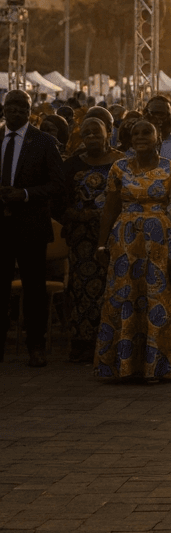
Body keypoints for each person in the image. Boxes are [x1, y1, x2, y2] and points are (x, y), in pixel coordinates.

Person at [93, 119, 171, 382]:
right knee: (125, 296)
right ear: (129, 139)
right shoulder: (119, 168)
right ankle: (125, 366)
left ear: (158, 137)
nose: (140, 137)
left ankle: (158, 366)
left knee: (159, 298)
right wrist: (102, 244)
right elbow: (110, 208)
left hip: (160, 240)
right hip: (125, 243)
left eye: (146, 132)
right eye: (135, 133)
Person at [0, 90, 65, 366]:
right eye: (10, 106)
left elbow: (57, 184)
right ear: (4, 108)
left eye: (21, 106)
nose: (15, 111)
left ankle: (36, 346)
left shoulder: (44, 142)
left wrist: (25, 194)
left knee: (34, 289)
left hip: (31, 226)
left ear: (30, 111)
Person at [58, 116, 124, 364]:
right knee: (82, 290)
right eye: (86, 133)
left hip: (116, 235)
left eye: (97, 132)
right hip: (82, 239)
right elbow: (60, 200)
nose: (92, 136)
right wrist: (76, 215)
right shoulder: (71, 165)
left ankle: (114, 344)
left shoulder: (122, 162)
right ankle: (84, 343)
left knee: (113, 288)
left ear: (108, 133)